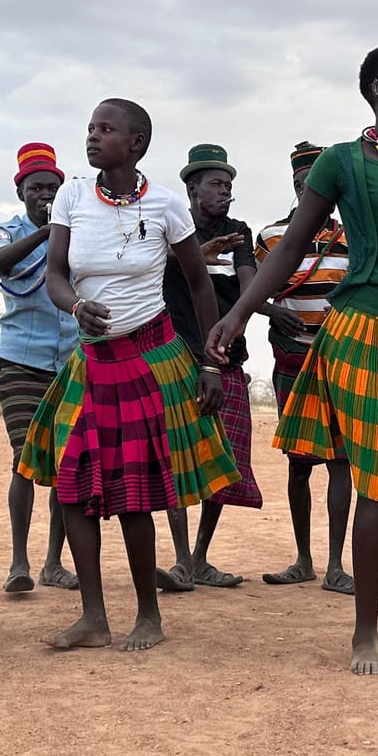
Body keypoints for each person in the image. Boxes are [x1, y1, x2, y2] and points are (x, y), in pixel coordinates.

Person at [208, 44, 378, 676]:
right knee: (375, 484)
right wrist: (239, 312)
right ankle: (365, 633)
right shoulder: (341, 161)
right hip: (360, 334)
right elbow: (292, 244)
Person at [19, 99, 237, 652]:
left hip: (149, 357)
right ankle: (93, 618)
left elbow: (200, 283)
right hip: (92, 360)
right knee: (73, 488)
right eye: (90, 128)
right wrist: (75, 307)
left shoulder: (165, 204)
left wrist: (211, 361)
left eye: (106, 129)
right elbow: (55, 275)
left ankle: (148, 615)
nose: (93, 137)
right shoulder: (72, 197)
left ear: (136, 143)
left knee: (135, 496)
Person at [158, 143, 263, 590]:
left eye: (228, 185)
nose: (225, 192)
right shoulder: (171, 230)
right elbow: (150, 268)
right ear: (192, 189)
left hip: (225, 358)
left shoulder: (238, 231)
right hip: (177, 357)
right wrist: (194, 255)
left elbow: (249, 286)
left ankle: (199, 556)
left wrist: (239, 319)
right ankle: (182, 559)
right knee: (178, 458)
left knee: (222, 458)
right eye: (216, 184)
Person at [253, 141, 354, 594]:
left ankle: (336, 566)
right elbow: (253, 291)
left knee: (340, 462)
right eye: (301, 182)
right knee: (299, 464)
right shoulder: (271, 237)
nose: (307, 188)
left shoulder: (354, 234)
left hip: (341, 361)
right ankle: (303, 560)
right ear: (295, 186)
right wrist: (274, 312)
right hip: (292, 359)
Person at [0, 142, 79, 596]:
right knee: (25, 460)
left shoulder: (77, 232)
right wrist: (47, 233)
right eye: (35, 187)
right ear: (20, 191)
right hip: (21, 362)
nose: (44, 194)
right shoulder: (5, 232)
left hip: (72, 363)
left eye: (51, 188)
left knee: (65, 463)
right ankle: (18, 562)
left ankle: (53, 563)